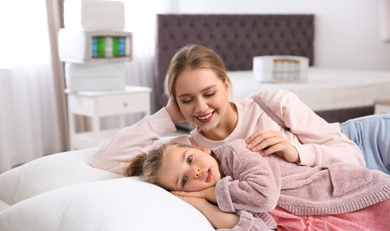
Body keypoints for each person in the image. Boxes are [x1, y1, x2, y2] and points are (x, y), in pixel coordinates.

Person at [91, 44, 390, 174]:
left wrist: (296, 152)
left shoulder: (271, 104)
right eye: (186, 100)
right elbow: (104, 161)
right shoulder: (190, 149)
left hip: (368, 140)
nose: (201, 107)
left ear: (226, 85)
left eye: (209, 93)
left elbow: (353, 156)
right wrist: (166, 117)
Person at [126, 139, 390, 231]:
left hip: (355, 195)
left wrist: (209, 193)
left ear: (198, 148)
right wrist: (201, 205)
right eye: (184, 180)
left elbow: (264, 197)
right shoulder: (224, 198)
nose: (194, 172)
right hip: (339, 226)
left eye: (190, 159)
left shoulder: (235, 153)